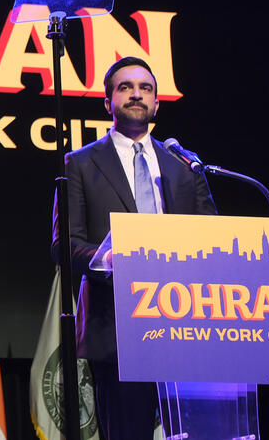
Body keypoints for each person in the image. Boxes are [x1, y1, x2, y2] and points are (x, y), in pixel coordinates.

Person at [51, 56, 217, 440]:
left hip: (188, 321)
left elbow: (212, 237)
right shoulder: (80, 163)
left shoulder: (184, 165)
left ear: (157, 103)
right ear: (108, 102)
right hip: (117, 327)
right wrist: (110, 259)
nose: (136, 94)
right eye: (125, 87)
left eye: (145, 88)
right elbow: (64, 245)